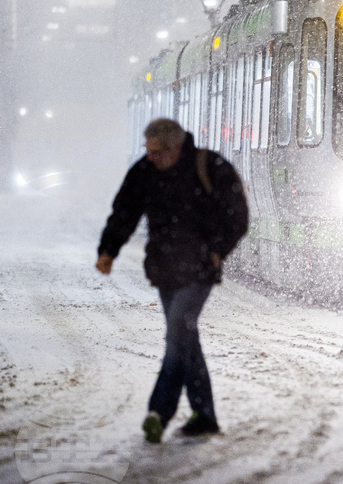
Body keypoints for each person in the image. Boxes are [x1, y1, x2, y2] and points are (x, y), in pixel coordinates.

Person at [95, 118, 248, 443]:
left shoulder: (210, 166)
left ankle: (158, 412)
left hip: (199, 272)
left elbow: (238, 215)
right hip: (165, 271)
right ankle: (204, 415)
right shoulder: (145, 171)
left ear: (176, 148)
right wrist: (108, 249)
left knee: (178, 333)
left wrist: (217, 250)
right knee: (185, 337)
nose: (150, 157)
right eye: (147, 150)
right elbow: (124, 211)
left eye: (157, 152)